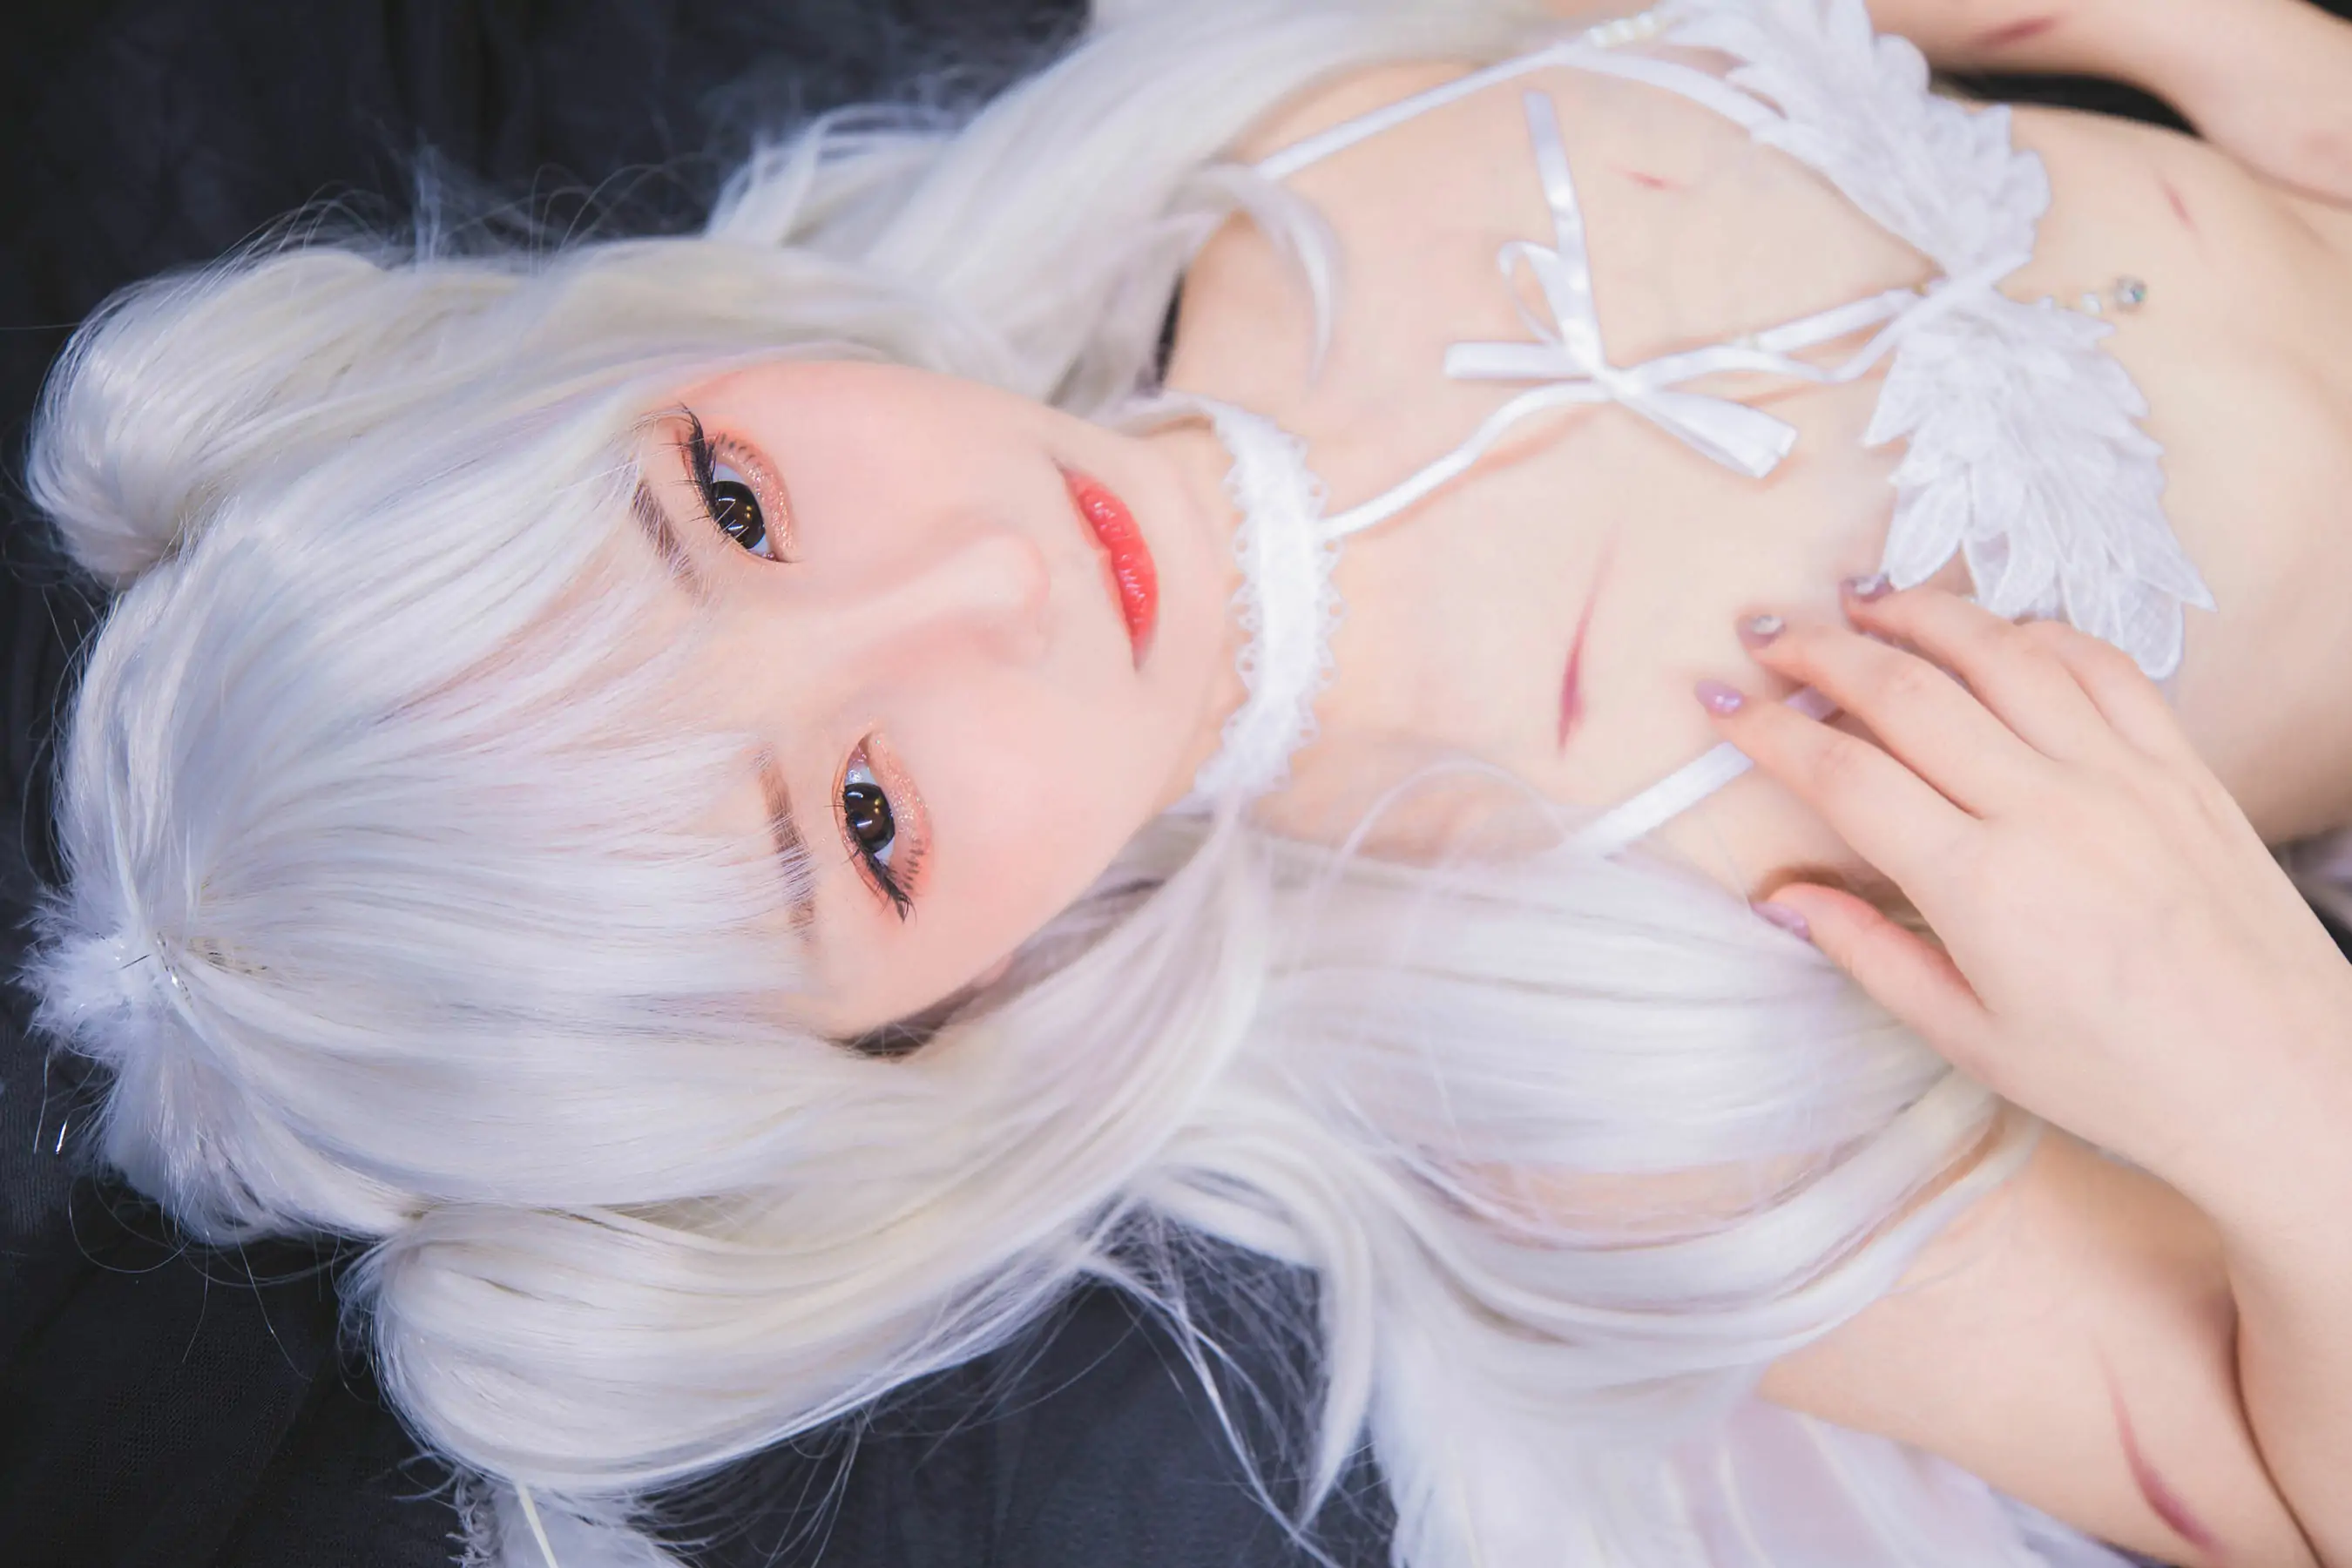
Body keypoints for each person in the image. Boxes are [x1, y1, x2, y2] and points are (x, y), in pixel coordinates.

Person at [18, 0, 2352, 1563]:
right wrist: (2238, 1048)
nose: (979, 581)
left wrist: (2218, 43)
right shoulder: (1580, 1061)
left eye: (728, 504)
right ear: (912, 1029)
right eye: (863, 820)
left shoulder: (1267, 122)